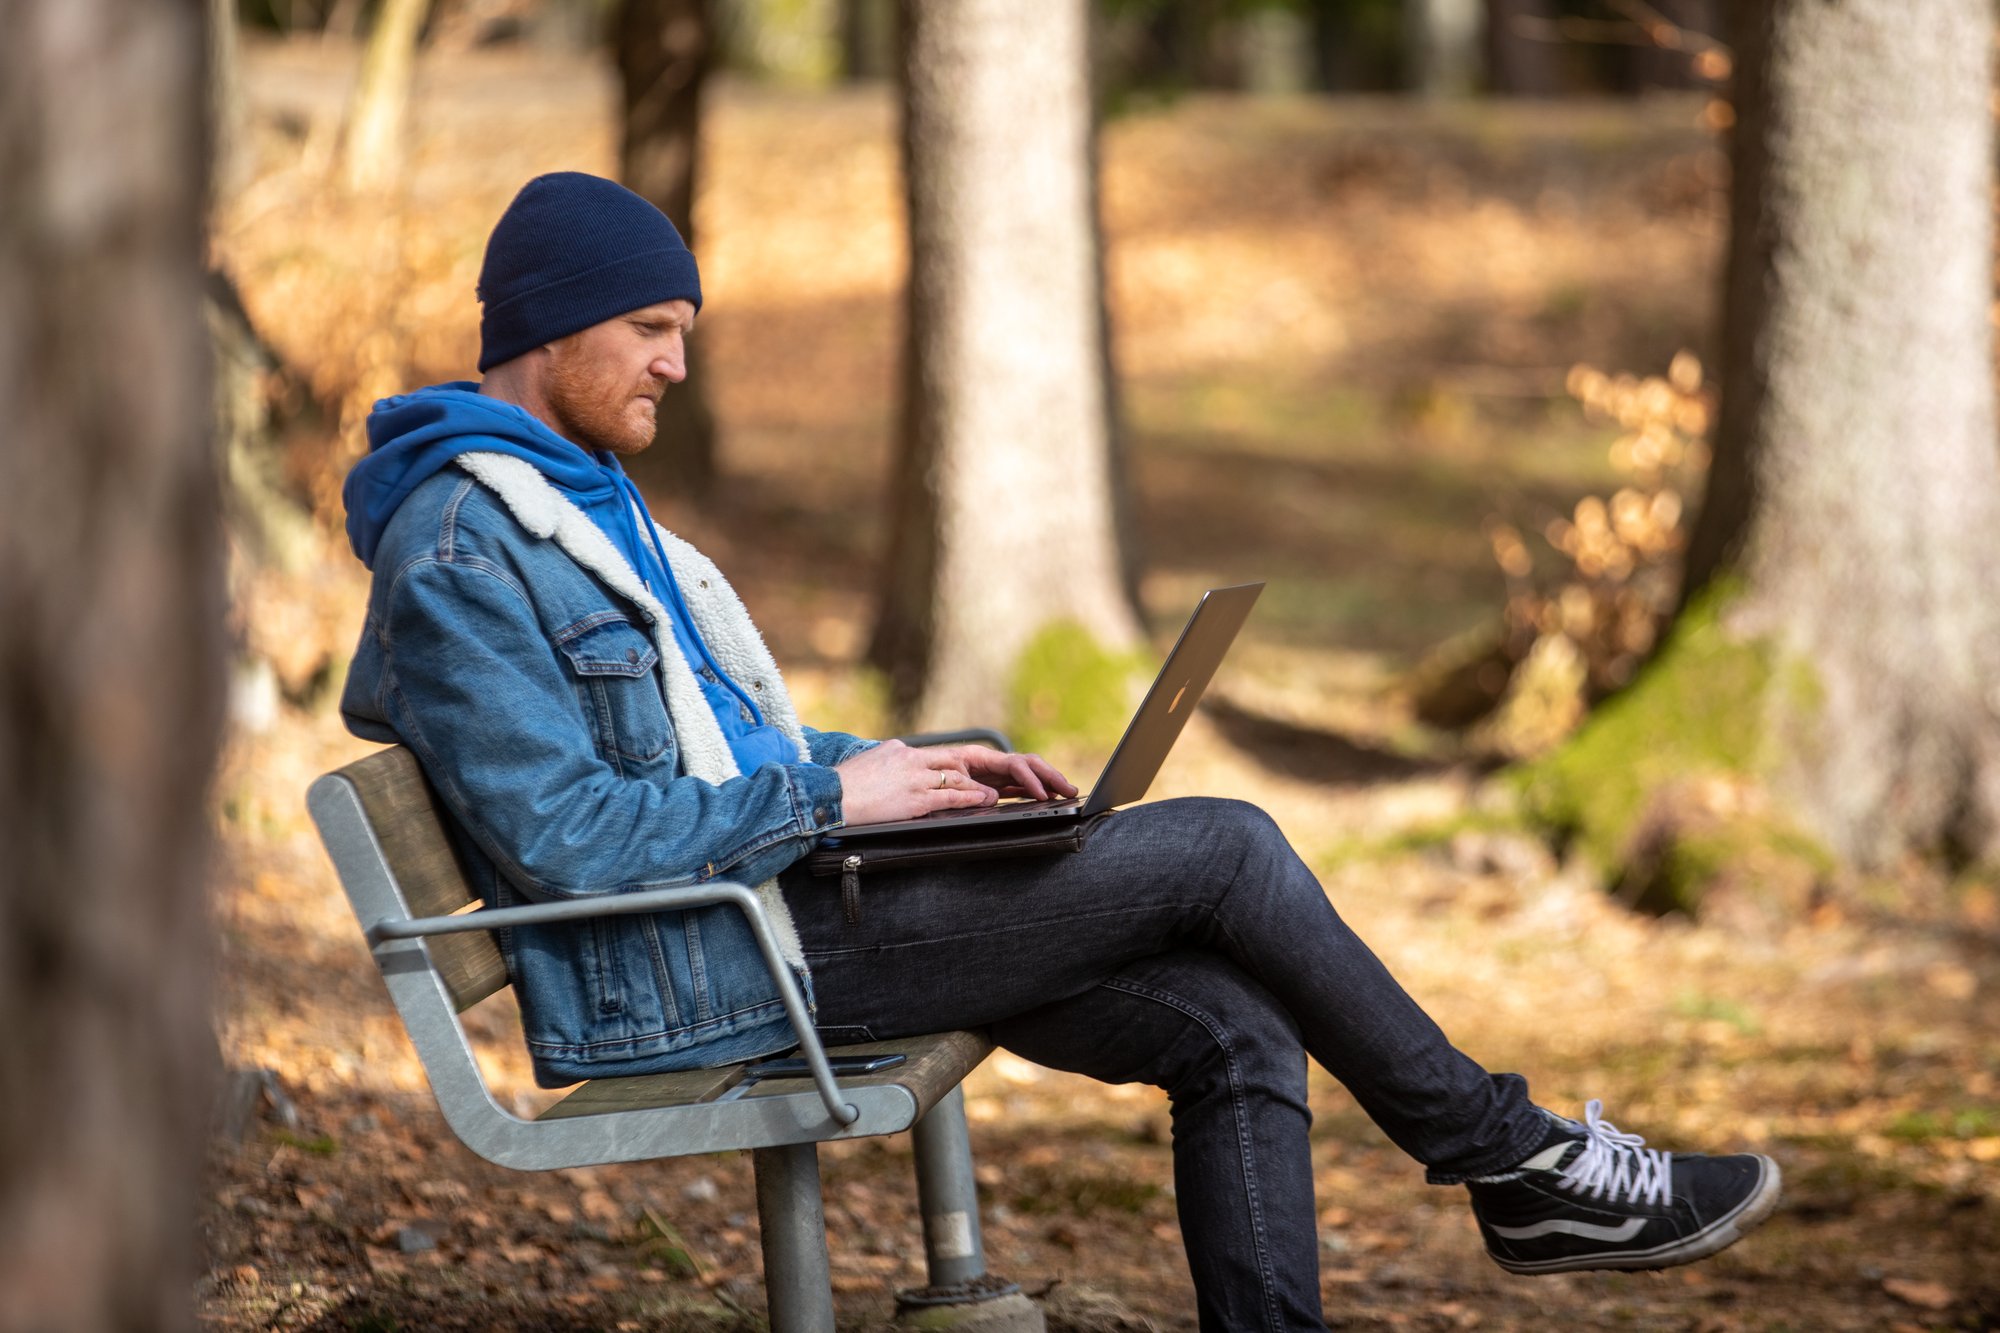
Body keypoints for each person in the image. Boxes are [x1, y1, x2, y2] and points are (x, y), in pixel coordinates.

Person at [339, 172, 1780, 1330]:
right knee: (1227, 844)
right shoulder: (465, 542)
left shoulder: (569, 499)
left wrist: (913, 767)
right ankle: (1514, 1158)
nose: (678, 361)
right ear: (554, 325)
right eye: (654, 327)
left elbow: (710, 747)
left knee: (1232, 1020)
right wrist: (836, 795)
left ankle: (1479, 1192)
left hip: (772, 914)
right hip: (699, 968)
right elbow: (570, 840)